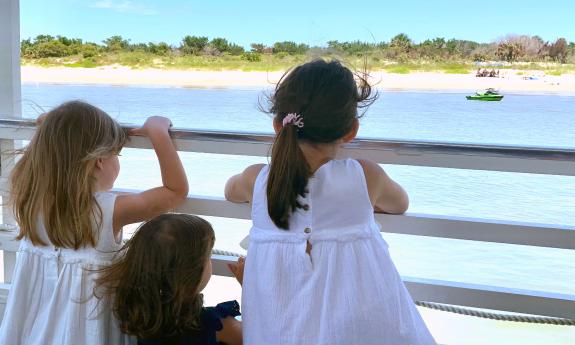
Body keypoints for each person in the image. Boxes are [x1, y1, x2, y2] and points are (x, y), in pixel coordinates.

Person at [225, 59, 436, 345]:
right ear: (351, 130)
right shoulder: (365, 177)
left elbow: (230, 192)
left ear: (278, 125)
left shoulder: (256, 180)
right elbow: (400, 203)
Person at [0, 101, 189, 345]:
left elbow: (46, 145)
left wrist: (52, 126)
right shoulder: (109, 210)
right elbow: (176, 191)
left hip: (35, 328)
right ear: (99, 160)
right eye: (116, 154)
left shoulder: (30, 196)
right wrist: (158, 132)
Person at [95, 214, 244, 345]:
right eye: (207, 257)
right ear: (190, 275)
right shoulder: (215, 324)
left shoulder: (136, 315)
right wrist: (249, 286)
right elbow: (258, 336)